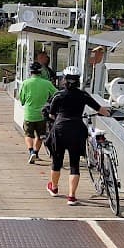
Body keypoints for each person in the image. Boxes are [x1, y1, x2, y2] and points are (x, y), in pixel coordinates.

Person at [44, 71, 110, 204]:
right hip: (77, 129)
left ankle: (54, 188)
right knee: (74, 164)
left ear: (64, 80)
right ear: (78, 81)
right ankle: (72, 196)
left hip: (60, 130)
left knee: (57, 162)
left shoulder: (58, 95)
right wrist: (109, 113)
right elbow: (100, 109)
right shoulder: (83, 95)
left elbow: (51, 115)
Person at [17, 62, 55, 163]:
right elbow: (56, 94)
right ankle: (36, 152)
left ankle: (31, 152)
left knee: (28, 135)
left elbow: (22, 99)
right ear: (40, 72)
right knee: (40, 136)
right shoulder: (47, 83)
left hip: (29, 114)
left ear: (30, 72)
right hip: (42, 115)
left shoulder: (26, 83)